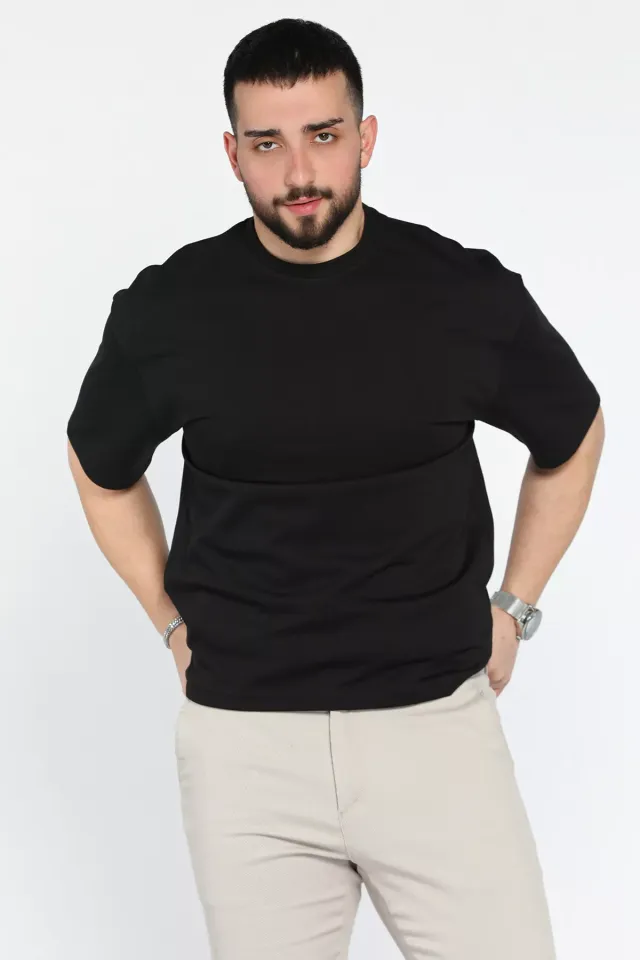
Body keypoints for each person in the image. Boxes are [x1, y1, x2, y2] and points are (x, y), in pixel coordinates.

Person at [66, 17, 605, 960]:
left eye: (323, 134)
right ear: (232, 154)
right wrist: (171, 621)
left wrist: (515, 607)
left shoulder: (461, 294)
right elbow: (99, 465)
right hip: (246, 750)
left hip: (434, 734)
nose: (299, 171)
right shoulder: (170, 309)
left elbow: (573, 433)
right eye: (267, 144)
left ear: (366, 137)